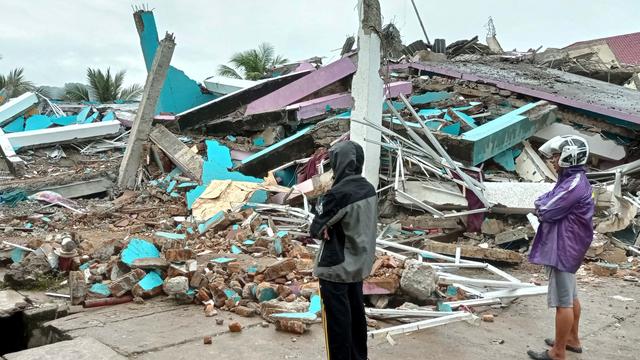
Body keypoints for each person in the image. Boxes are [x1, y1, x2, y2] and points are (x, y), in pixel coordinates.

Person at [527, 135, 594, 360]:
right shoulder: (571, 179)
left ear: (569, 157)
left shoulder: (573, 183)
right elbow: (547, 199)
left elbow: (546, 208)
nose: (553, 160)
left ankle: (558, 352)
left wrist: (540, 206)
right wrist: (542, 204)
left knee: (562, 302)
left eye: (556, 156)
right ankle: (572, 340)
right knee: (572, 296)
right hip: (571, 244)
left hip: (564, 247)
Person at [309, 141, 377, 360]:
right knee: (357, 320)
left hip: (335, 268)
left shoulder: (338, 194)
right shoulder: (368, 188)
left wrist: (326, 225)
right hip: (358, 265)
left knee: (337, 327)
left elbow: (316, 227)